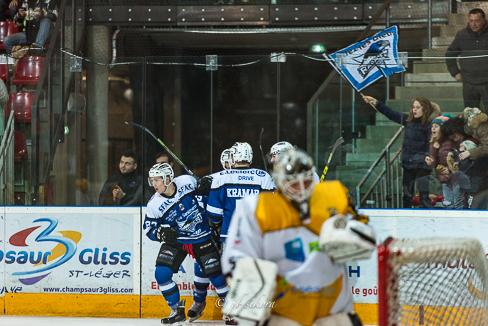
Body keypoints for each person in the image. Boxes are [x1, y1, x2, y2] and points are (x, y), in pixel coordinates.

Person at [221, 148, 375, 326]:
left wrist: (352, 234)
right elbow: (235, 257)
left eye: (307, 181)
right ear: (279, 181)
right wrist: (248, 284)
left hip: (330, 309)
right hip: (283, 311)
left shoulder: (333, 198)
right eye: (294, 183)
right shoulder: (257, 208)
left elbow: (366, 233)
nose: (302, 188)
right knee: (250, 274)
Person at [144, 163, 230, 324]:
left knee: (216, 276)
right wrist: (160, 233)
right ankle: (176, 310)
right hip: (177, 239)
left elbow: (207, 192)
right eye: (152, 180)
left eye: (158, 180)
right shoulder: (153, 204)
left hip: (202, 235)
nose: (154, 184)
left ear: (168, 178)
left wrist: (206, 187)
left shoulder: (187, 181)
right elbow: (148, 229)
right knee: (161, 274)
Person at [362, 94, 435, 208]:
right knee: (407, 195)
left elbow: (430, 144)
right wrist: (376, 102)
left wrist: (427, 156)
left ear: (425, 109)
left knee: (423, 196)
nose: (414, 110)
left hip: (422, 163)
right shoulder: (408, 120)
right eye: (413, 107)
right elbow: (390, 113)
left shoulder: (429, 125)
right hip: (409, 162)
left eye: (417, 107)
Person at [206, 142, 275, 243]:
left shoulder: (222, 177)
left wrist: (219, 223)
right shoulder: (263, 177)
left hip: (230, 235)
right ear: (250, 156)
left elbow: (214, 214)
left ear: (233, 156)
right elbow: (270, 208)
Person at [446, 8, 488, 110]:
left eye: (477, 21)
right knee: (470, 115)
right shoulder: (462, 35)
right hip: (469, 82)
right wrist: (455, 72)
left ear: (484, 20)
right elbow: (450, 54)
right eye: (471, 21)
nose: (474, 24)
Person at [425, 115, 458, 208]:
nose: (433, 128)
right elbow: (434, 163)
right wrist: (433, 149)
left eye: (436, 126)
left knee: (456, 204)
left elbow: (457, 159)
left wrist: (450, 170)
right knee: (449, 204)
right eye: (432, 126)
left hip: (455, 179)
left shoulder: (450, 142)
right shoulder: (434, 143)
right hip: (444, 179)